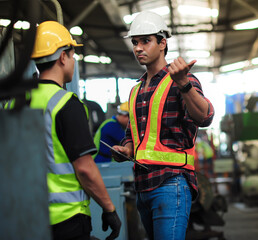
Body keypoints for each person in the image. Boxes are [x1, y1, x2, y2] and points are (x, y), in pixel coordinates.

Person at [8, 21, 121, 240]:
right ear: (62, 57)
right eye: (72, 54)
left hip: (23, 216)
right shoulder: (66, 103)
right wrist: (109, 209)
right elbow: (85, 169)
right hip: (66, 219)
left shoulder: (14, 102)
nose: (73, 60)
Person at [112, 11, 214, 240]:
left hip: (171, 183)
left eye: (146, 41)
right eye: (135, 42)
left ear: (162, 43)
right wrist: (127, 149)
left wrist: (184, 84)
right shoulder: (135, 90)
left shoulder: (182, 80)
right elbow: (132, 134)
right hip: (142, 186)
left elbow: (205, 117)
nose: (138, 48)